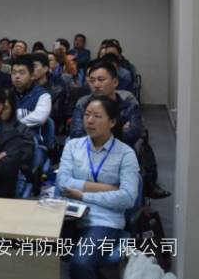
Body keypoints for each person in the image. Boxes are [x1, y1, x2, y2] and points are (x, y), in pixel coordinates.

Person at [57, 96, 140, 279]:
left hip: (103, 220)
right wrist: (107, 188)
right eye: (87, 115)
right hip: (68, 216)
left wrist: (83, 195)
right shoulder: (73, 146)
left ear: (112, 122)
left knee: (81, 262)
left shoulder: (125, 154)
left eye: (97, 116)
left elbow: (127, 198)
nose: (90, 120)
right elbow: (62, 182)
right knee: (28, 248)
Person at [70, 61, 142, 147]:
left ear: (115, 82)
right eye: (92, 81)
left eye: (101, 80)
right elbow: (76, 134)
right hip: (87, 150)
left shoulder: (128, 106)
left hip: (120, 150)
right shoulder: (83, 104)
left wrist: (94, 132)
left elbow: (132, 136)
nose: (96, 85)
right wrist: (118, 131)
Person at [11, 55, 52, 137]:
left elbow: (39, 118)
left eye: (21, 73)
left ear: (32, 76)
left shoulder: (43, 95)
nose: (17, 76)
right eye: (14, 72)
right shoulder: (6, 94)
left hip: (31, 139)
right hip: (6, 138)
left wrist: (12, 125)